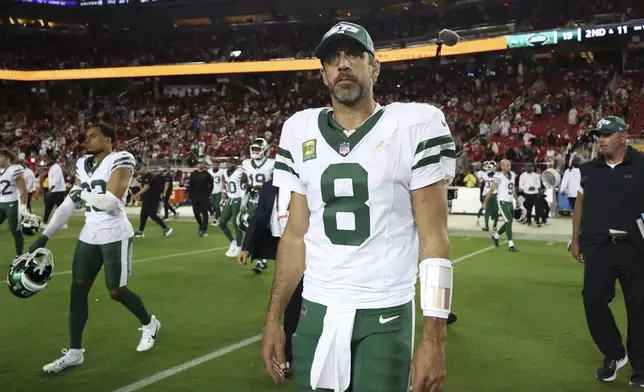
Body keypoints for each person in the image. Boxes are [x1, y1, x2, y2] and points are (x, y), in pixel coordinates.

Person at [262, 22, 455, 392]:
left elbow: (435, 240)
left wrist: (434, 340)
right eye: (333, 58)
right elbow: (295, 235)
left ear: (375, 67)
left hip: (385, 309)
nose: (343, 64)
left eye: (354, 55)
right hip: (315, 308)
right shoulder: (298, 129)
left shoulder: (416, 124)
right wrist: (274, 318)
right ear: (323, 74)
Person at [28, 123, 161, 373]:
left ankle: (149, 323)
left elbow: (109, 202)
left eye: (93, 136)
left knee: (116, 290)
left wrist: (82, 195)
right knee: (77, 291)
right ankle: (75, 352)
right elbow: (69, 203)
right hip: (90, 232)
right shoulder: (81, 163)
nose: (86, 140)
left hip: (115, 232)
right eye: (85, 136)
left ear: (109, 139)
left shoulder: (121, 158)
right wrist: (44, 237)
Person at [570, 116, 644, 387]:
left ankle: (641, 367)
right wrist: (575, 240)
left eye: (606, 134)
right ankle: (615, 353)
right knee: (592, 301)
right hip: (599, 247)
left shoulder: (642, 165)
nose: (600, 139)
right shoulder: (587, 169)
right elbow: (580, 205)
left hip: (636, 249)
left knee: (639, 309)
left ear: (624, 136)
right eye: (598, 134)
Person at [239, 180, 301, 379]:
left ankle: (293, 354)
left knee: (298, 301)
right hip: (281, 246)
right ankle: (288, 356)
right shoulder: (269, 186)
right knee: (291, 301)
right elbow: (259, 216)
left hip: (307, 247)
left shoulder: (305, 181)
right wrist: (246, 246)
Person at [242, 137, 275, 270]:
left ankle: (262, 259)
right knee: (252, 229)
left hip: (267, 202)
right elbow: (243, 182)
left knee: (265, 231)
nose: (255, 151)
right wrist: (247, 186)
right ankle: (260, 259)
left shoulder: (272, 163)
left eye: (258, 149)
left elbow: (276, 183)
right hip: (251, 200)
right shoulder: (246, 163)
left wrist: (262, 188)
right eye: (254, 148)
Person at [484, 159, 519, 252]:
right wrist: (485, 202)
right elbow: (491, 190)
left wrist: (517, 199)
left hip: (510, 201)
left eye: (510, 165)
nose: (509, 167)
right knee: (508, 221)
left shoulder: (513, 174)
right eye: (507, 165)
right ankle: (511, 244)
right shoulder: (498, 176)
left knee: (509, 222)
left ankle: (496, 236)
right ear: (502, 166)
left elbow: (514, 188)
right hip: (502, 201)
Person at [0, 148, 28, 257]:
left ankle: (19, 255)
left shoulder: (15, 169)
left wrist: (24, 207)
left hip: (12, 204)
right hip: (0, 203)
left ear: (8, 158)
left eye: (1, 157)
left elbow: (23, 190)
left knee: (15, 230)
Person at [133, 166, 173, 238]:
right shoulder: (145, 176)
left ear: (144, 168)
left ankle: (166, 228)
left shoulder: (149, 176)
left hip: (152, 198)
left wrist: (137, 195)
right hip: (147, 198)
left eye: (140, 169)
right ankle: (140, 231)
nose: (139, 171)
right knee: (143, 214)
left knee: (152, 214)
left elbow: (146, 188)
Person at [219, 157, 247, 257]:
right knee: (221, 222)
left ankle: (239, 246)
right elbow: (226, 184)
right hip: (230, 198)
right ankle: (233, 241)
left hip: (238, 198)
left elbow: (246, 180)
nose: (228, 165)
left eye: (230, 163)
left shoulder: (240, 171)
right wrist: (224, 193)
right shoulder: (227, 172)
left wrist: (244, 200)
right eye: (227, 163)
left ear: (234, 164)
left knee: (236, 223)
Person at [188, 161, 214, 237]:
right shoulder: (193, 174)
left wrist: (208, 194)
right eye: (199, 163)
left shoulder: (207, 175)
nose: (200, 165)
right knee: (196, 212)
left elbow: (211, 185)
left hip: (204, 197)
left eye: (202, 163)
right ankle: (201, 224)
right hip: (194, 197)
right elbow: (190, 184)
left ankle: (203, 229)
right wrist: (189, 194)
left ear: (204, 165)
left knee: (204, 212)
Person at [43, 156, 66, 224]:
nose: (47, 161)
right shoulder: (52, 168)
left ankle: (63, 223)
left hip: (58, 191)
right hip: (54, 191)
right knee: (48, 207)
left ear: (52, 160)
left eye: (48, 159)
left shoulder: (56, 167)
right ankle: (44, 222)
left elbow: (57, 180)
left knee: (60, 208)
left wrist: (50, 190)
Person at [208, 161, 225, 226]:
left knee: (216, 205)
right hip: (212, 191)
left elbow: (223, 180)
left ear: (218, 165)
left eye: (216, 165)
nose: (215, 166)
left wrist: (224, 190)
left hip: (219, 190)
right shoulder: (209, 171)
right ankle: (219, 215)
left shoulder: (221, 171)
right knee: (213, 205)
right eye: (214, 164)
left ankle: (216, 219)